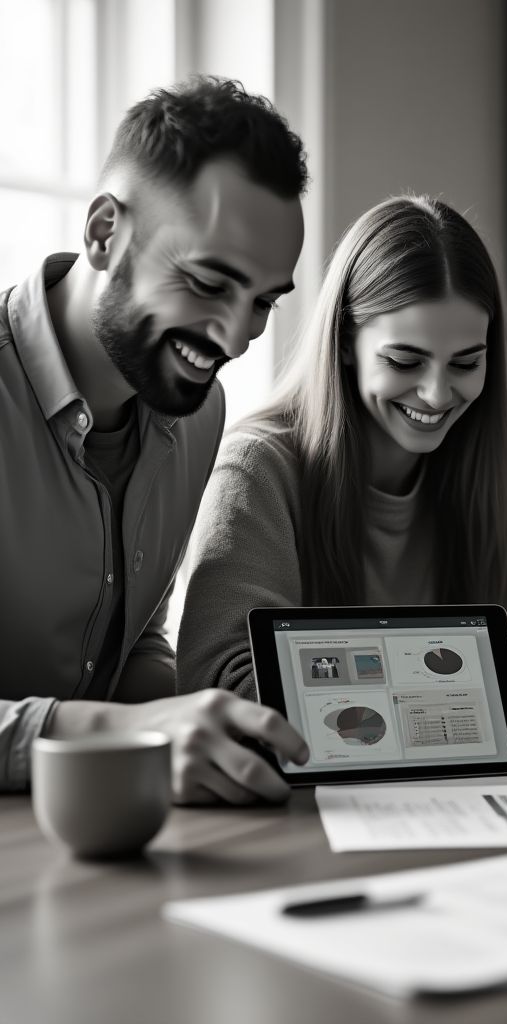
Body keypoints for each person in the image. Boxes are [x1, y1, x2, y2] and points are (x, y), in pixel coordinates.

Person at [0, 76, 311, 804]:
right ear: (105, 232)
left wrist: (217, 721)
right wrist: (121, 733)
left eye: (263, 300)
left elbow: (129, 642)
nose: (235, 336)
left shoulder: (199, 414)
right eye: (208, 283)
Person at [177, 195, 507, 698]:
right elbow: (222, 683)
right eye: (405, 361)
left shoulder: (502, 475)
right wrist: (445, 685)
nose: (437, 394)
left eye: (466, 364)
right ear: (344, 342)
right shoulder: (257, 470)